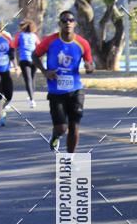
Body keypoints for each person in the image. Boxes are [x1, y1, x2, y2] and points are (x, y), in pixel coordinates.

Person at [32, 11, 94, 152]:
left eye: (71, 20)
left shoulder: (82, 43)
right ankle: (55, 135)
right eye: (64, 20)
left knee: (74, 126)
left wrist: (89, 67)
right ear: (60, 24)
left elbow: (90, 63)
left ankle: (69, 158)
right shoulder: (50, 41)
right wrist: (45, 71)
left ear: (75, 23)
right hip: (56, 91)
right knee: (61, 128)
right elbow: (34, 55)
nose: (68, 23)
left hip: (76, 90)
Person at [15, 20, 39, 108]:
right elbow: (39, 45)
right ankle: (31, 95)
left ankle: (32, 100)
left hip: (24, 59)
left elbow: (15, 45)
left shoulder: (20, 35)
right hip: (34, 59)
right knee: (33, 78)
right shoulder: (34, 36)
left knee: (28, 79)